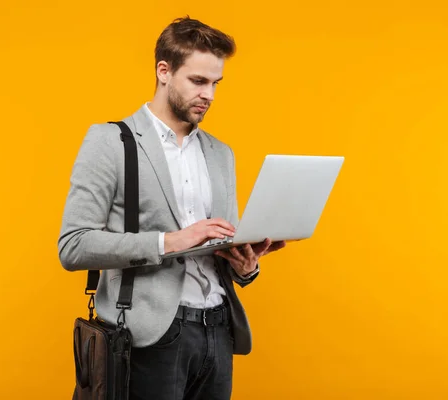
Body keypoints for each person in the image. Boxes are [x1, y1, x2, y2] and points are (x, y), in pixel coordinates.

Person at [58, 16, 286, 400]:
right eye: (198, 81)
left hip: (218, 330)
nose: (209, 94)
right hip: (151, 336)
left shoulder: (220, 153)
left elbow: (221, 245)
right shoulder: (110, 142)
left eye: (216, 83)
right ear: (164, 71)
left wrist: (246, 266)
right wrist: (171, 241)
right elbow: (73, 246)